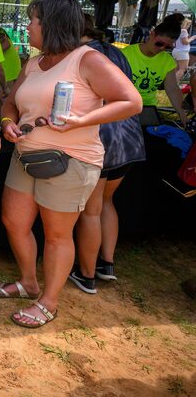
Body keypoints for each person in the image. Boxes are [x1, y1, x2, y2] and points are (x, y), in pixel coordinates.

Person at [0, 0, 141, 328]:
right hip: (26, 155)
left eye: (33, 20)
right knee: (14, 222)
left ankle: (49, 301)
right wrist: (6, 124)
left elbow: (131, 101)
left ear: (52, 24)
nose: (27, 26)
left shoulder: (87, 60)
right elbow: (10, 103)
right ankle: (29, 282)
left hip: (72, 161)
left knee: (58, 236)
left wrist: (80, 121)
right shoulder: (33, 62)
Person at [70, 15, 145, 293]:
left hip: (103, 139)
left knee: (91, 210)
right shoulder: (116, 51)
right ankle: (107, 264)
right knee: (107, 202)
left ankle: (87, 274)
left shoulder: (84, 56)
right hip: (129, 140)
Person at [121, 14, 190, 126]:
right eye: (159, 43)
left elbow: (172, 89)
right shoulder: (125, 54)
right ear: (152, 34)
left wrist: (182, 114)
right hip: (123, 105)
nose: (162, 49)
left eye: (167, 47)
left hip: (148, 109)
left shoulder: (167, 61)